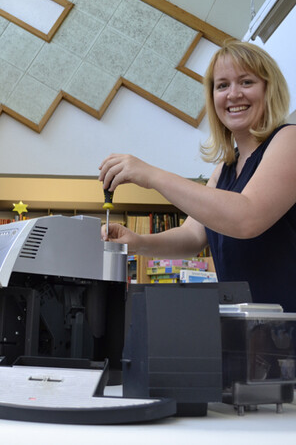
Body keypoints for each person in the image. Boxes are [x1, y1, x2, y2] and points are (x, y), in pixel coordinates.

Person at [98, 40, 296, 313]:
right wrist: (137, 242)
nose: (233, 94)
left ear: (268, 89)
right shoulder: (225, 169)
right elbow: (191, 236)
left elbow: (247, 218)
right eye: (222, 85)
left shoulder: (289, 140)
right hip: (248, 334)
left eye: (246, 82)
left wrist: (152, 175)